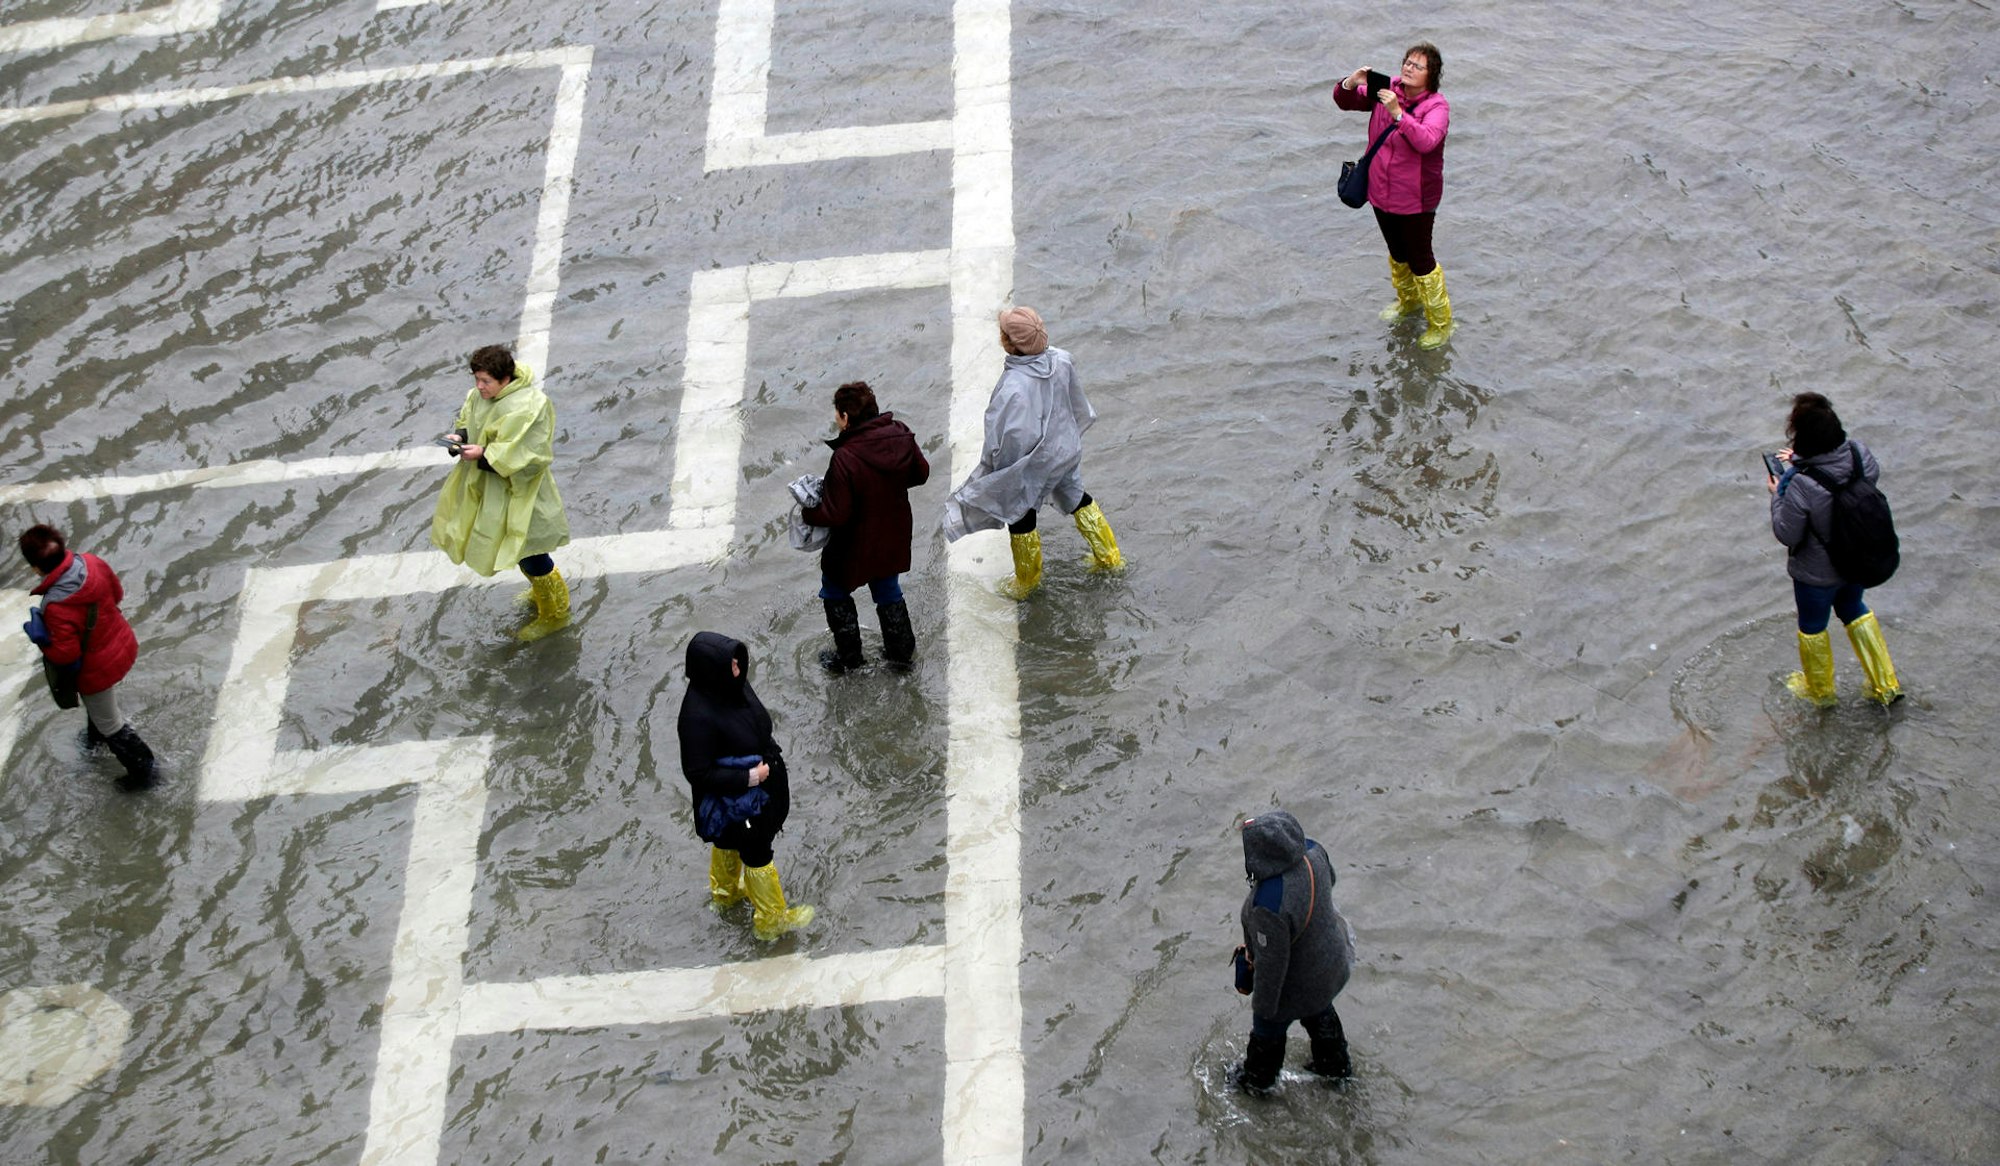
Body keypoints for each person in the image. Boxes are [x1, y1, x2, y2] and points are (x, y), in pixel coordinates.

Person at [942, 306, 1124, 599]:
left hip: (1035, 459)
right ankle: (1110, 557)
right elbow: (1076, 404)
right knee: (1077, 497)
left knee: (1021, 515)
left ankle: (1026, 582)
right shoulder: (1062, 360)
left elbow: (1010, 438)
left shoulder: (1015, 386)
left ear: (1010, 344)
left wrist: (1001, 473)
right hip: (1064, 450)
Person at [676, 632, 815, 942]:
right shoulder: (696, 717)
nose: (737, 665)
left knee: (726, 842)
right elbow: (696, 772)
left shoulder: (730, 687)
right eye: (730, 662)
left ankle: (725, 895)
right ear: (711, 671)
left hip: (753, 789)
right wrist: (748, 778)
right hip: (739, 801)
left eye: (737, 658)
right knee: (757, 853)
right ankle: (771, 920)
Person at [429, 344, 573, 641]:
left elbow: (533, 454)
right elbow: (470, 421)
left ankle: (555, 612)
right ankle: (541, 595)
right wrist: (460, 436)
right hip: (493, 488)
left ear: (504, 378)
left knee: (530, 549)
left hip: (522, 491)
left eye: (485, 381)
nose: (479, 387)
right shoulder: (479, 396)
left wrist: (484, 453)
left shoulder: (531, 405)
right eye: (476, 380)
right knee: (515, 546)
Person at [1767, 392, 1901, 706]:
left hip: (1817, 575)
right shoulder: (1860, 455)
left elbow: (1786, 532)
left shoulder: (1800, 483)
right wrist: (1799, 463)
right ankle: (1886, 684)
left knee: (1813, 628)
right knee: (1854, 611)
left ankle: (1821, 693)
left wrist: (1778, 493)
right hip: (1856, 561)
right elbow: (1840, 476)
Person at [801, 381, 930, 673]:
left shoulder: (845, 458)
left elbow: (836, 513)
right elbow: (921, 473)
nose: (836, 418)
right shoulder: (900, 435)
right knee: (888, 590)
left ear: (846, 417)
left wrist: (807, 514)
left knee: (834, 591)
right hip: (892, 536)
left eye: (837, 413)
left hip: (854, 545)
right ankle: (901, 659)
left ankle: (850, 661)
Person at [1334, 43, 1454, 349]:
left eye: (1418, 66)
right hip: (1380, 192)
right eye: (1407, 62)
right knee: (1398, 252)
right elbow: (1345, 101)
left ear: (1432, 75)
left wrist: (1397, 113)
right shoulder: (1386, 90)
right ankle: (1408, 303)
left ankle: (1441, 324)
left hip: (1416, 198)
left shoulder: (1437, 107)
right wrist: (1353, 81)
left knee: (1421, 260)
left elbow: (1427, 141)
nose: (1408, 68)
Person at [18, 525, 156, 790]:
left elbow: (65, 656)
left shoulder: (57, 605)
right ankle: (95, 738)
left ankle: (144, 772)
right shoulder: (91, 563)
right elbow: (117, 594)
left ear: (36, 568)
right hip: (120, 645)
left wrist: (42, 639)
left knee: (111, 724)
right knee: (101, 712)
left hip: (96, 669)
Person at [1231, 809, 1354, 1094]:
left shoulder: (1269, 904)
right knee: (1321, 1011)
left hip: (1299, 980)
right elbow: (1331, 881)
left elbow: (1273, 968)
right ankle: (1337, 1071)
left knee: (1268, 1031)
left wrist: (1263, 1010)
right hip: (1331, 961)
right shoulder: (1314, 853)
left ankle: (1258, 1083)